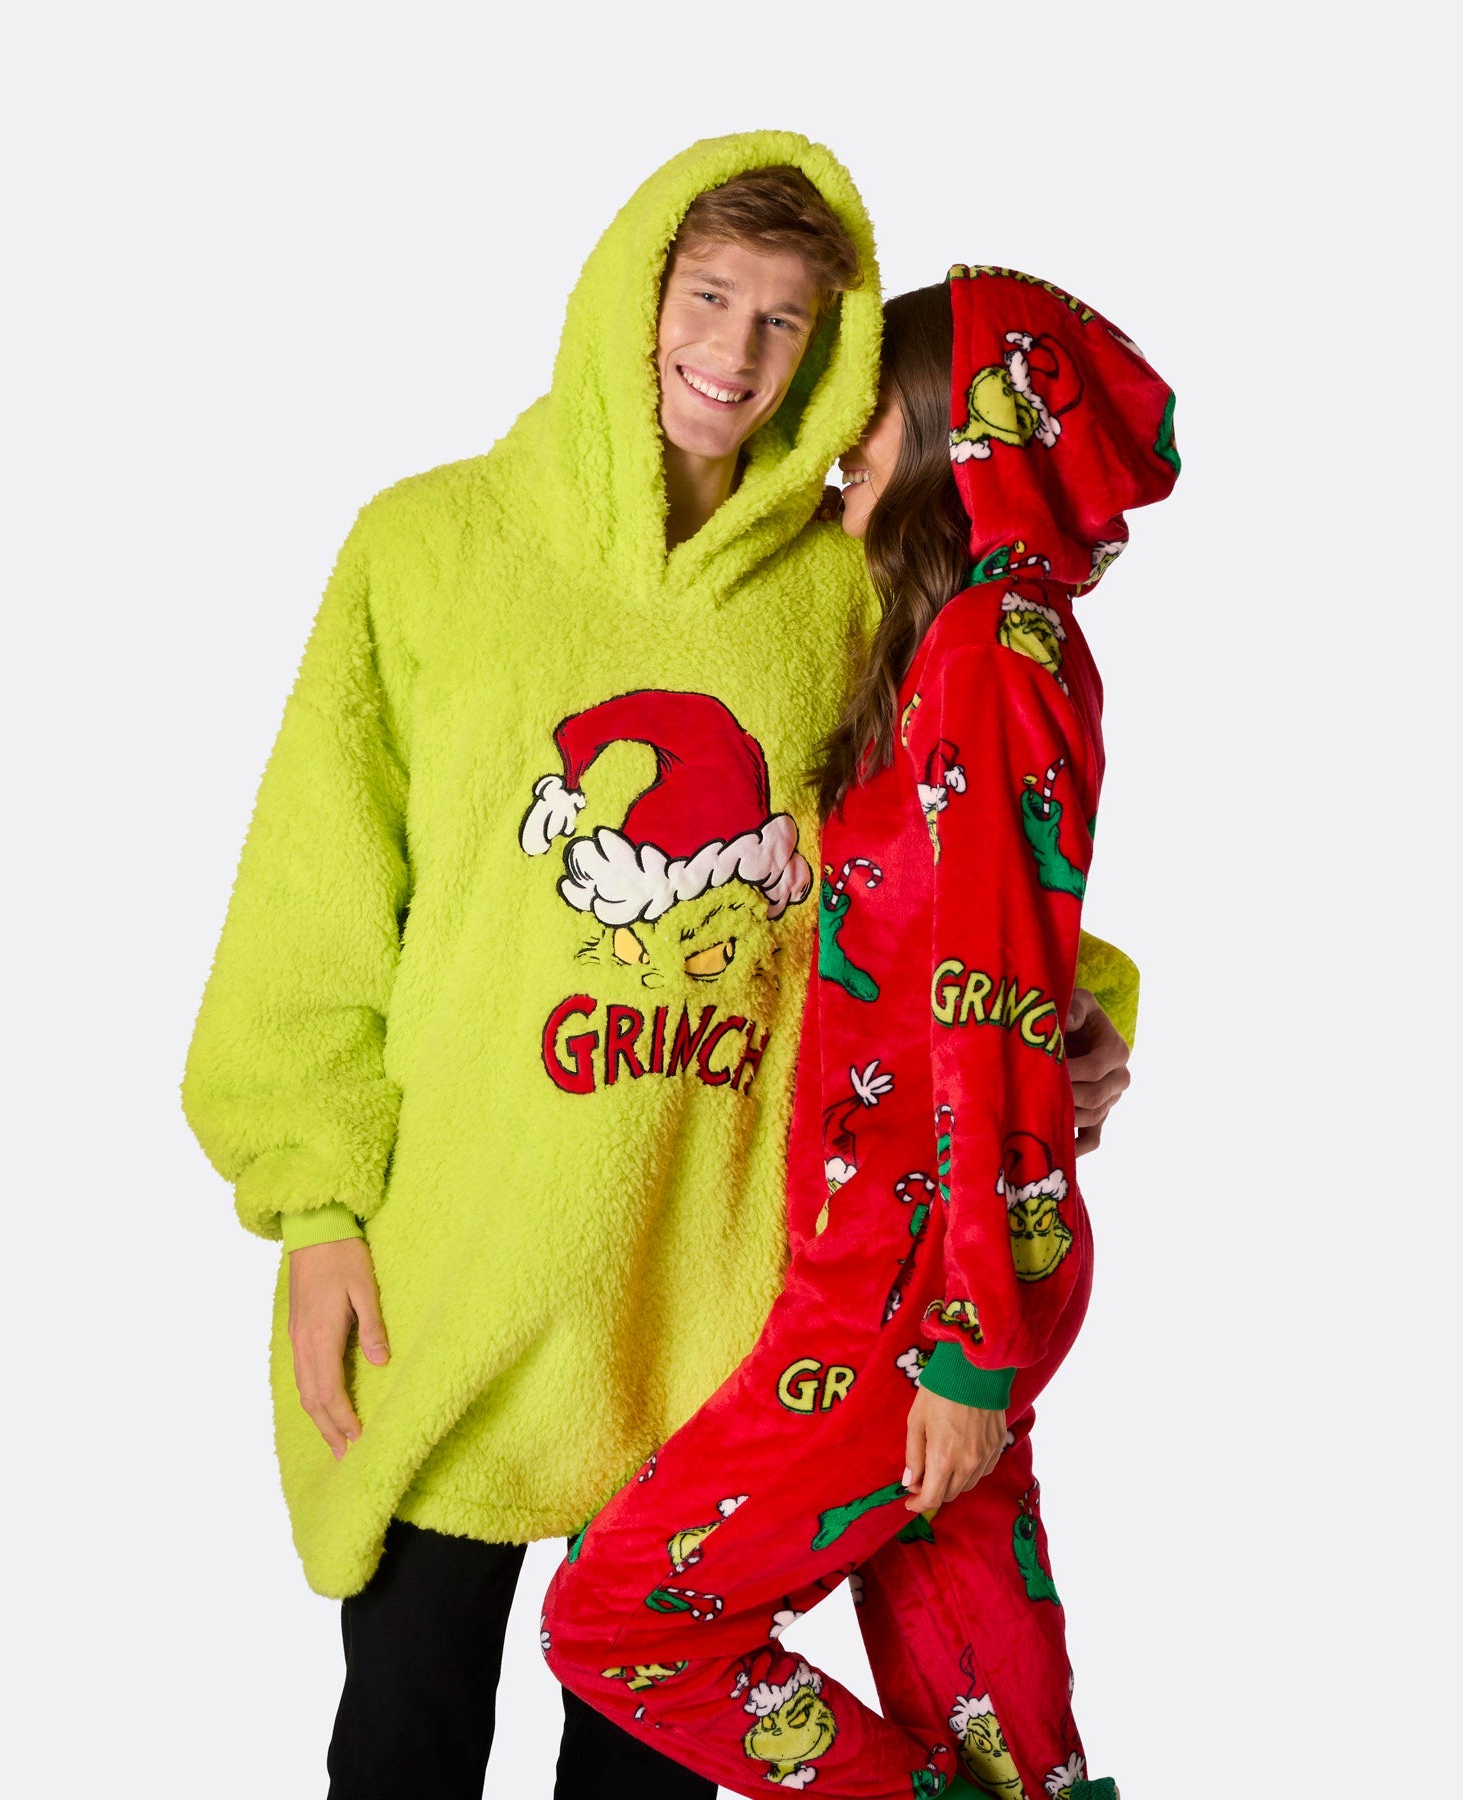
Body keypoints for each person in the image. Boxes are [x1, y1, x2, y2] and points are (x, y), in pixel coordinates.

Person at [183, 132, 1137, 1800]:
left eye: (785, 319)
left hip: (716, 1278)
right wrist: (316, 1201)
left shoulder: (847, 592)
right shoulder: (430, 549)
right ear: (631, 293)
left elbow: (938, 859)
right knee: (404, 1729)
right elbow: (316, 890)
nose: (734, 351)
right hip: (461, 1264)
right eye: (706, 296)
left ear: (831, 349)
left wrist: (1069, 1018)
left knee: (645, 1740)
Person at [538, 269, 1179, 1800]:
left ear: (961, 434)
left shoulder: (990, 657)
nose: (843, 451)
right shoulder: (966, 641)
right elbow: (963, 951)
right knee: (992, 1717)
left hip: (917, 1275)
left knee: (622, 1623)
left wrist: (969, 1347)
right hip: (923, 1255)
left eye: (873, 417)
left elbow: (994, 1003)